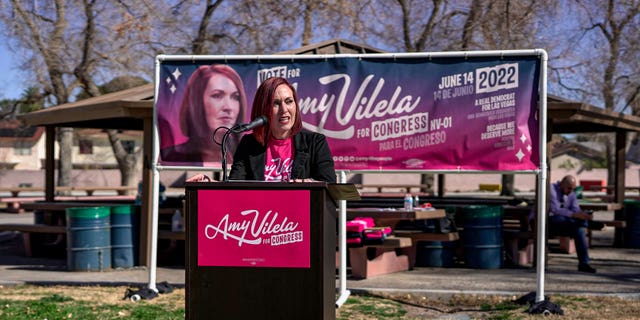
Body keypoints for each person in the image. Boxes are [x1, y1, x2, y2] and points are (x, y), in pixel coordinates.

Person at [187, 76, 336, 183]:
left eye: (289, 102)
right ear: (263, 109)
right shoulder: (249, 144)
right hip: (261, 222)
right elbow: (235, 187)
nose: (284, 109)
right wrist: (210, 184)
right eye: (276, 103)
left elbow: (330, 185)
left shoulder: (315, 142)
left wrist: (310, 183)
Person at [161, 64, 248, 163]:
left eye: (235, 97)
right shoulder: (172, 156)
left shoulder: (248, 155)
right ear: (197, 103)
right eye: (217, 95)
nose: (228, 107)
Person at [548, 175, 597, 273]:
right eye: (569, 188)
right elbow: (555, 210)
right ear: (562, 184)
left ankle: (584, 263)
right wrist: (575, 215)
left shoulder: (571, 193)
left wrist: (583, 215)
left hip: (565, 222)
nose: (571, 191)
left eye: (573, 189)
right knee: (572, 221)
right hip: (547, 221)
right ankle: (588, 224)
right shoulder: (551, 189)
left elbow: (576, 209)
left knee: (579, 229)